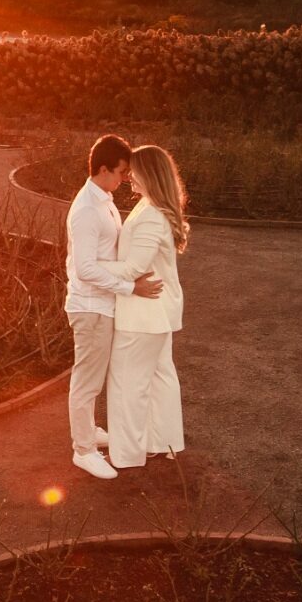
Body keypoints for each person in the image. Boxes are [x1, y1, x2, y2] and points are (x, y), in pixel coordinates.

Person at [64, 134, 163, 480]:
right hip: (90, 306)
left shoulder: (102, 197)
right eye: (121, 173)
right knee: (87, 380)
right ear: (103, 169)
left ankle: (88, 432)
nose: (124, 180)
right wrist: (130, 287)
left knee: (92, 377)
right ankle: (83, 450)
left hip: (101, 304)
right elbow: (84, 268)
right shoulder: (87, 210)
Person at [107, 142, 188, 468]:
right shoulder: (151, 207)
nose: (129, 179)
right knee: (159, 378)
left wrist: (91, 266)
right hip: (156, 315)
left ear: (150, 175)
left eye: (134, 173)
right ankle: (161, 442)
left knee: (127, 382)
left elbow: (132, 269)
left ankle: (126, 455)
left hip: (142, 315)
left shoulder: (152, 217)